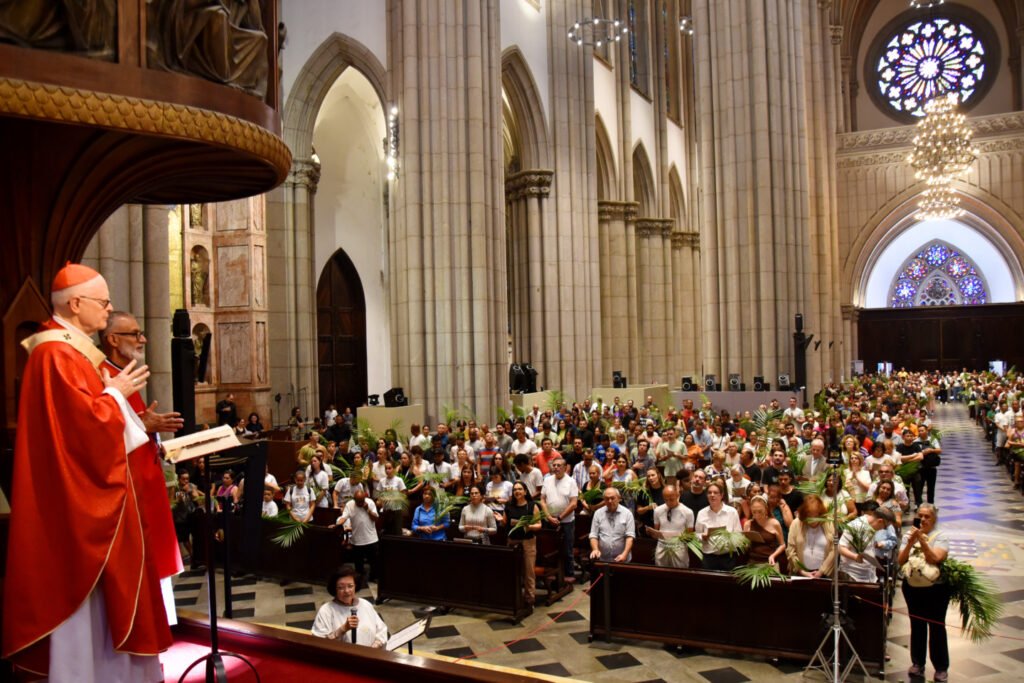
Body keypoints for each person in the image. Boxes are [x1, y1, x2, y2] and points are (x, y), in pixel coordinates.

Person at [3, 263, 168, 680]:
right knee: (90, 603)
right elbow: (83, 432)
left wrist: (119, 402)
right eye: (103, 302)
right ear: (76, 304)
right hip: (79, 506)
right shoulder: (55, 354)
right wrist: (117, 395)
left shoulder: (72, 352)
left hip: (96, 493)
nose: (109, 309)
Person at [99, 311, 185, 601]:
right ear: (112, 339)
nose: (144, 339)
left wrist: (153, 434)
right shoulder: (104, 378)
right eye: (135, 334)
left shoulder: (123, 376)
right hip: (129, 492)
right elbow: (97, 434)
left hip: (146, 484)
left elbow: (133, 424)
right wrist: (142, 425)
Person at [898, 504, 950, 681]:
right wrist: (910, 542)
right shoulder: (908, 535)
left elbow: (935, 558)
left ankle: (941, 667)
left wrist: (922, 541)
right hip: (913, 588)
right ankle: (918, 664)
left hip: (936, 589)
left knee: (936, 626)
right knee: (917, 625)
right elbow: (900, 560)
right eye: (920, 516)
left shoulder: (940, 536)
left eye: (927, 516)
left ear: (934, 519)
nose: (923, 519)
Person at [312, 567, 388, 647]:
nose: (347, 591)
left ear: (355, 586)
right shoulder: (326, 610)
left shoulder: (365, 604)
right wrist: (343, 629)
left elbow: (381, 630)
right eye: (341, 587)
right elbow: (319, 643)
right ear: (335, 589)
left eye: (350, 586)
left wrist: (373, 648)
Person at [540, 458, 579, 575]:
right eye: (554, 465)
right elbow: (542, 500)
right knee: (550, 549)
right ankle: (553, 573)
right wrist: (548, 516)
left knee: (567, 549)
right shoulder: (547, 480)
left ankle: (569, 574)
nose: (556, 467)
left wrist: (559, 518)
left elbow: (573, 504)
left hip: (566, 521)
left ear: (565, 467)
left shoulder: (571, 481)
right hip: (549, 520)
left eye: (559, 465)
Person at [506, 481, 542, 605]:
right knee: (512, 571)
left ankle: (529, 600)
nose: (517, 491)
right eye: (515, 489)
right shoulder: (509, 506)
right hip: (512, 541)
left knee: (528, 572)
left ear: (525, 491)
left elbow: (539, 525)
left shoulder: (532, 505)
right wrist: (501, 521)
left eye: (520, 489)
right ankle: (512, 598)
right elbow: (505, 523)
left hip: (528, 541)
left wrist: (529, 526)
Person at [333, 489, 381, 583]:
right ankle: (360, 580)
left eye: (362, 501)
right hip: (357, 540)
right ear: (354, 499)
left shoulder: (370, 502)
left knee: (374, 561)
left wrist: (368, 509)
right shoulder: (349, 505)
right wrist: (337, 524)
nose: (360, 503)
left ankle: (373, 577)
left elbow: (376, 518)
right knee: (358, 563)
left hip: (371, 538)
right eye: (358, 501)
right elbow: (344, 517)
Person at [695, 481, 743, 571]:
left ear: (721, 495)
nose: (712, 495)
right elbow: (697, 534)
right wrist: (702, 536)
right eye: (709, 493)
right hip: (709, 557)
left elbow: (739, 534)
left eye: (715, 492)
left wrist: (730, 537)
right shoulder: (701, 513)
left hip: (728, 557)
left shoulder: (732, 512)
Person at [786, 494, 835, 578]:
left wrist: (821, 571)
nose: (813, 520)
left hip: (824, 573)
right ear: (804, 514)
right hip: (800, 573)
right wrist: (802, 571)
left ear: (821, 514)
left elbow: (834, 549)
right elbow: (790, 550)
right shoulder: (796, 523)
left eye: (816, 516)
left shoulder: (828, 523)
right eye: (809, 516)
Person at [648, 485, 695, 568]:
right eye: (666, 500)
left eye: (671, 499)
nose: (669, 502)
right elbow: (656, 531)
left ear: (677, 495)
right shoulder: (658, 511)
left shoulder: (688, 512)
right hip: (662, 546)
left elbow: (689, 536)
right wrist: (651, 532)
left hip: (679, 547)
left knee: (680, 573)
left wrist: (676, 538)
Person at [838, 508, 889, 583]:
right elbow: (841, 548)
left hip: (869, 574)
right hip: (852, 575)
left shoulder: (871, 525)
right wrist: (855, 557)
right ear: (880, 521)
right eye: (885, 527)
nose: (883, 529)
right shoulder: (855, 526)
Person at [588, 488, 636, 563]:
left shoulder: (627, 514)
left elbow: (630, 537)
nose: (610, 501)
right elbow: (593, 535)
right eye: (607, 499)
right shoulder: (598, 513)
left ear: (619, 498)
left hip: (622, 559)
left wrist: (624, 554)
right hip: (602, 558)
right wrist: (595, 549)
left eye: (612, 498)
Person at [744, 494, 786, 567]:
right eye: (754, 512)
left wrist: (773, 556)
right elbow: (745, 546)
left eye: (760, 511)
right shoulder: (748, 524)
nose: (757, 515)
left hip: (770, 562)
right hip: (753, 562)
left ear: (766, 509)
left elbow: (782, 545)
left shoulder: (774, 523)